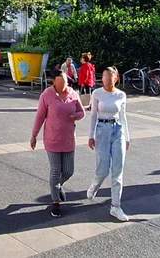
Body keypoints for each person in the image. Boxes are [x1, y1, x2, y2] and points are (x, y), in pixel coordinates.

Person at [30, 72, 86, 218]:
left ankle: (57, 186)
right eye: (60, 82)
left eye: (65, 82)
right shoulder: (46, 95)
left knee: (68, 171)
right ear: (54, 82)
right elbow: (40, 117)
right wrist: (34, 135)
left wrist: (76, 116)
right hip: (52, 139)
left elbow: (82, 112)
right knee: (55, 171)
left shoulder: (73, 94)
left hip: (68, 139)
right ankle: (56, 203)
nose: (63, 85)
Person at [86, 66, 131, 221]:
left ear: (116, 78)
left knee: (118, 171)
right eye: (104, 76)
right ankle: (95, 185)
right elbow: (92, 116)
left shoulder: (121, 95)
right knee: (103, 168)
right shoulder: (97, 93)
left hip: (118, 130)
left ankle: (116, 206)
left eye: (110, 77)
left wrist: (127, 137)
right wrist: (90, 135)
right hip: (101, 130)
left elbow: (123, 116)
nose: (106, 79)